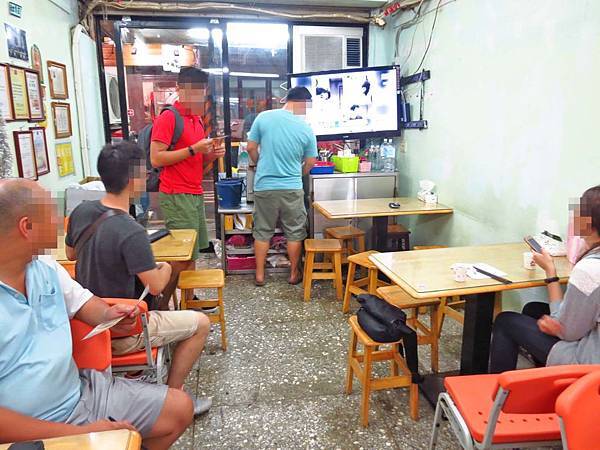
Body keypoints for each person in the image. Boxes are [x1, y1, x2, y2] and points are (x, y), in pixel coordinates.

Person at [0, 178, 192, 449]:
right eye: (52, 214)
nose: (59, 222)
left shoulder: (44, 266)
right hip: (31, 431)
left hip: (81, 392)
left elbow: (87, 305)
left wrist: (113, 316)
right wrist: (80, 434)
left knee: (180, 409)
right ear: (27, 227)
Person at [65, 141, 212, 415]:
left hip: (84, 324)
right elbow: (155, 285)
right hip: (123, 328)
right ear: (134, 180)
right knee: (201, 324)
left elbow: (70, 253)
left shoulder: (81, 212)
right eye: (144, 172)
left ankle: (136, 376)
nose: (147, 177)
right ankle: (174, 398)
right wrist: (166, 266)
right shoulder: (130, 230)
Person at [489, 185, 600, 373]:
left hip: (588, 365)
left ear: (588, 222)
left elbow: (568, 332)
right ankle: (546, 382)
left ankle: (499, 396)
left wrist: (550, 271)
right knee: (532, 309)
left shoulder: (590, 270)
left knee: (505, 322)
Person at [150, 67, 226, 308]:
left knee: (192, 254)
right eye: (192, 92)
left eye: (201, 93)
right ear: (180, 89)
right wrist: (194, 149)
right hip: (175, 193)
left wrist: (211, 155)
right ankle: (161, 306)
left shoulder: (196, 120)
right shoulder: (168, 118)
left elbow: (196, 163)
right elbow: (156, 158)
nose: (198, 98)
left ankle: (189, 300)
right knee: (180, 257)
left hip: (194, 193)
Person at [247, 86, 318, 286]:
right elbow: (311, 162)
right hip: (292, 187)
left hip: (265, 186)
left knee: (262, 231)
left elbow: (251, 147)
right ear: (304, 103)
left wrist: (260, 163)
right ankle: (294, 274)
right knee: (294, 232)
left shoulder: (264, 117)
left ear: (287, 99)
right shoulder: (306, 129)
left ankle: (260, 275)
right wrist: (297, 173)